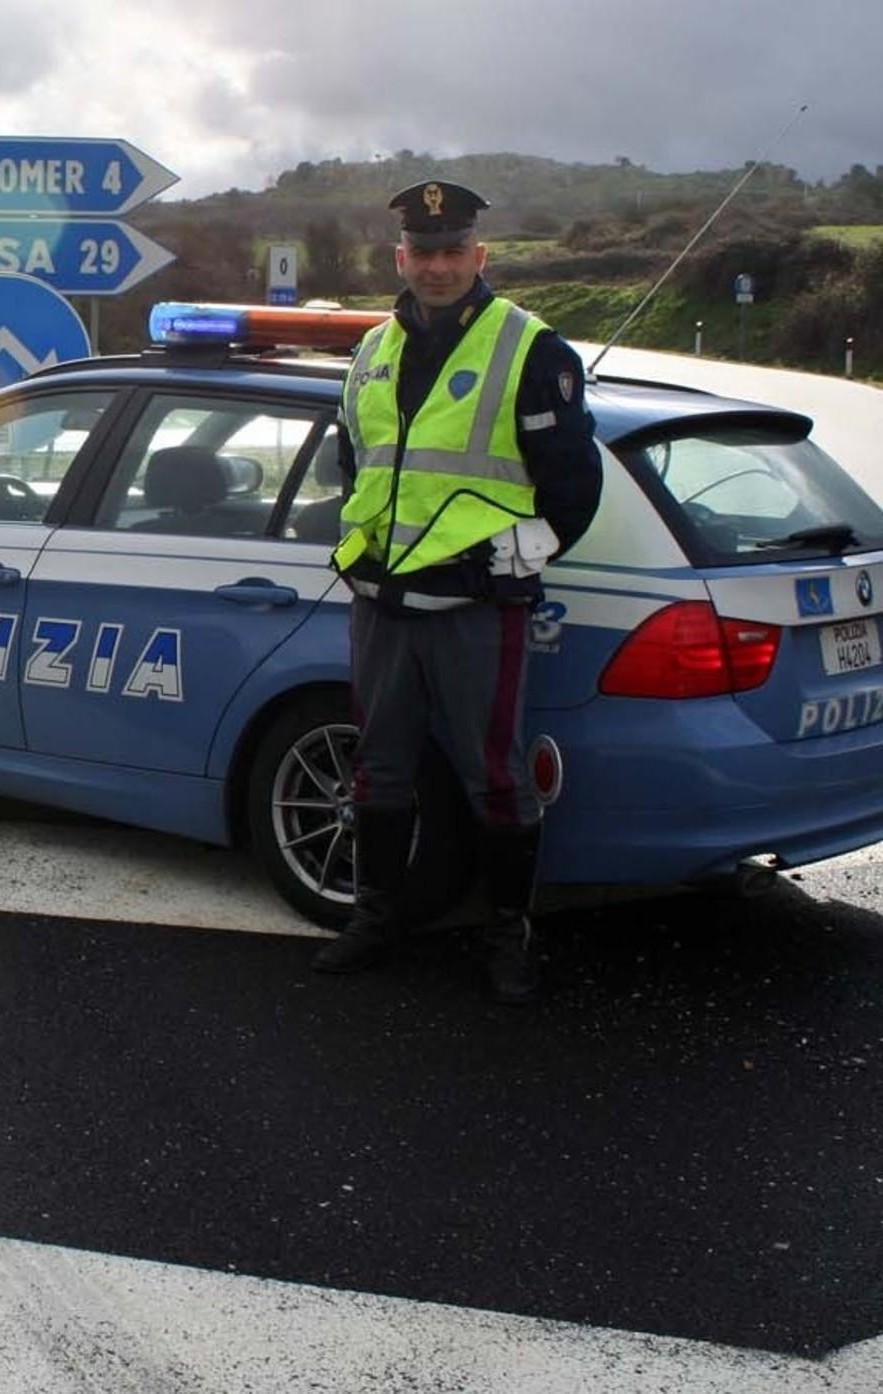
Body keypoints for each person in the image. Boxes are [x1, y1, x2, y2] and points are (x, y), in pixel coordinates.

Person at [312, 180, 602, 1001]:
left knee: (497, 777)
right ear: (399, 257)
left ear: (480, 256)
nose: (437, 267)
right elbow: (355, 463)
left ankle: (508, 936)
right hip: (383, 599)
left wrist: (527, 551)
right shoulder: (372, 348)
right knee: (380, 767)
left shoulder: (531, 349)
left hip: (478, 605)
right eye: (423, 252)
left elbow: (574, 485)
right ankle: (375, 916)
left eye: (452, 251)